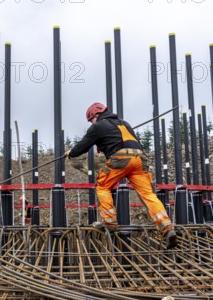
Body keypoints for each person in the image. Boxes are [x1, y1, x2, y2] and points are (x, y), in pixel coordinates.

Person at [66, 102, 177, 248]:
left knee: (102, 186)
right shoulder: (124, 123)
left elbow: (82, 146)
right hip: (140, 160)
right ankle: (166, 227)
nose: (91, 123)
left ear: (96, 116)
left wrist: (70, 153)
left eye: (91, 120)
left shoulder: (98, 126)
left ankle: (109, 222)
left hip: (121, 159)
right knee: (148, 195)